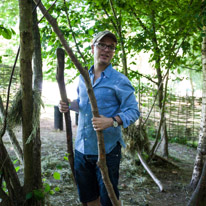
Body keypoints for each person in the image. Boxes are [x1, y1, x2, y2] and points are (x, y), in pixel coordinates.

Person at [59, 30, 140, 206]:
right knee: (89, 197)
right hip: (82, 147)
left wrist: (111, 121)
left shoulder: (119, 80)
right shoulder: (83, 76)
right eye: (102, 45)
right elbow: (82, 104)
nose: (107, 50)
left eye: (111, 47)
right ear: (92, 48)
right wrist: (69, 105)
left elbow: (133, 111)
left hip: (107, 151)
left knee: (108, 198)